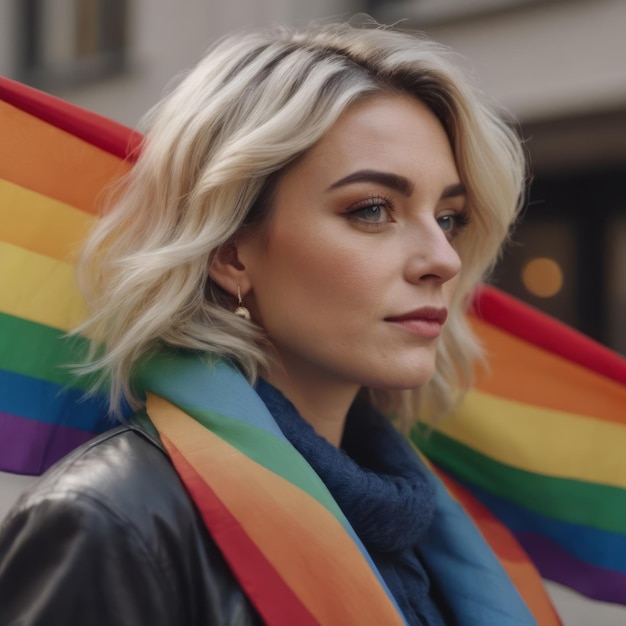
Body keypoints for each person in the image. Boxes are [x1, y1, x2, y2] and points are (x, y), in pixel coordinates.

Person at [0, 19, 531, 625]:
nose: (443, 258)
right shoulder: (110, 524)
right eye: (373, 209)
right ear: (230, 253)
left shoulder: (425, 523)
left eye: (449, 217)